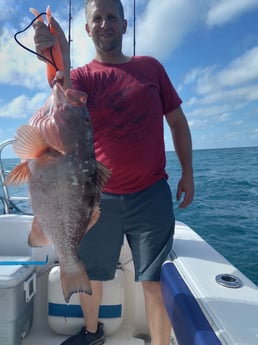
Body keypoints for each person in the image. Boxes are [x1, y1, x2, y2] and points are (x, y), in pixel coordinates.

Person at [33, 0, 194, 344]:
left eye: (112, 17)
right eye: (97, 19)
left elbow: (177, 122)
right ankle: (92, 332)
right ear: (88, 29)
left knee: (153, 280)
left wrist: (188, 173)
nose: (105, 24)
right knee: (92, 273)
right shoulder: (84, 78)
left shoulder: (151, 68)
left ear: (124, 25)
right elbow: (61, 81)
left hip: (151, 194)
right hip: (96, 197)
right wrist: (53, 49)